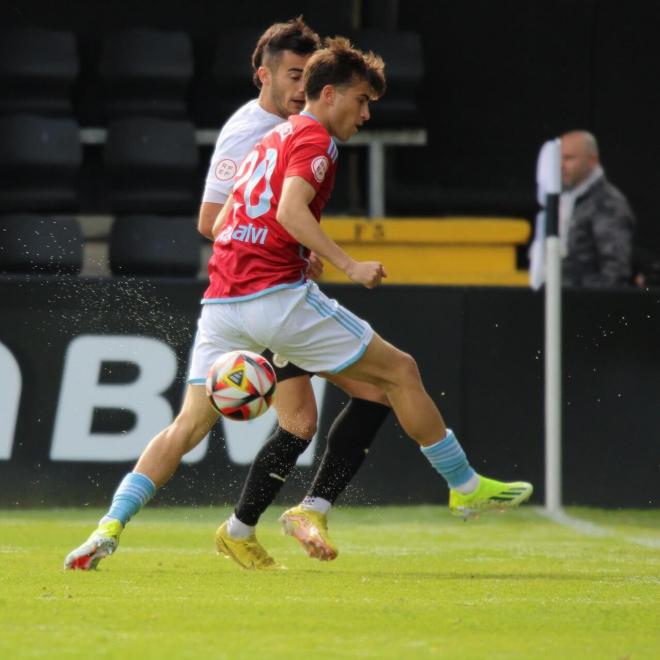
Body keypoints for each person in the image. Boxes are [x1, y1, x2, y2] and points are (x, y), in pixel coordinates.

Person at [64, 18, 390, 571]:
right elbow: (214, 219)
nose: (298, 87)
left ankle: (126, 528)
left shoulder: (297, 130)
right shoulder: (250, 132)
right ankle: (299, 512)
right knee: (381, 386)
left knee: (292, 422)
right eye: (292, 74)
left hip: (253, 291)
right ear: (263, 75)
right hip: (258, 292)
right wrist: (280, 249)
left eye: (306, 75)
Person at [205, 37, 532, 565]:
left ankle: (247, 527)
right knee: (400, 371)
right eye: (360, 101)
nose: (365, 114)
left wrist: (275, 251)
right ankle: (465, 486)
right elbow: (290, 211)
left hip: (230, 298)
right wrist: (347, 264)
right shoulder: (314, 139)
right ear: (329, 93)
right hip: (276, 298)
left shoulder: (271, 139)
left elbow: (222, 223)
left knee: (310, 419)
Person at [560, 130, 635, 287]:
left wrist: (575, 291)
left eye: (569, 158)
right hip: (556, 299)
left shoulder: (608, 203)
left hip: (585, 304)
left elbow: (615, 272)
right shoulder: (563, 198)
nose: (561, 165)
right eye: (559, 158)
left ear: (592, 160)